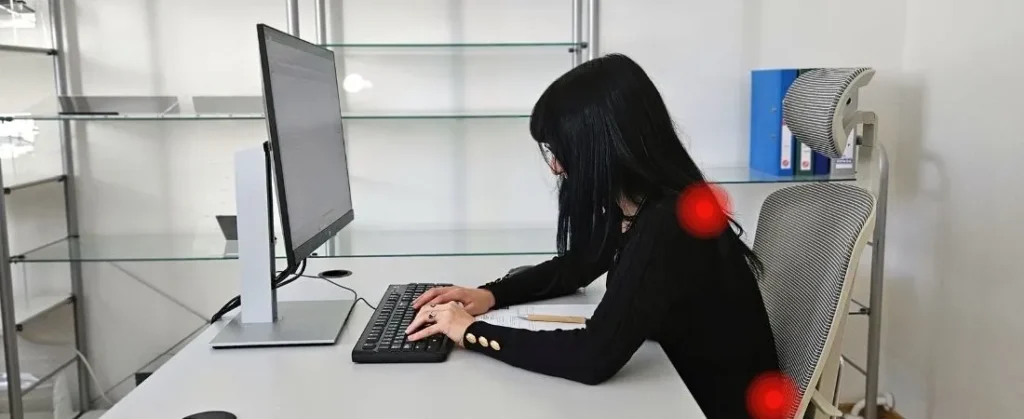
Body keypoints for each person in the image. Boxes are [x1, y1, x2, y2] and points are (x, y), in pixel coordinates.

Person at [405, 53, 781, 418]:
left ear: (602, 145)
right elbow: (577, 265)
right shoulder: (638, 204)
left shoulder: (670, 222)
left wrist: (470, 332)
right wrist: (489, 295)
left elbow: (593, 357)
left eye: (562, 151)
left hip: (703, 405)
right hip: (672, 385)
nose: (555, 166)